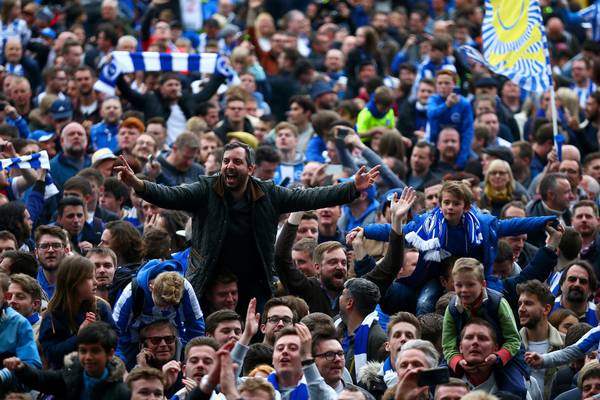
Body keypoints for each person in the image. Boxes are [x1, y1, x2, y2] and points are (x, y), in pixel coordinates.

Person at [114, 141, 380, 309]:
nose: (229, 166)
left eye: (237, 162)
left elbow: (309, 196)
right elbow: (170, 195)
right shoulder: (206, 189)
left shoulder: (269, 194)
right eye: (226, 161)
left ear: (250, 169)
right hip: (210, 278)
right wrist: (136, 183)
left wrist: (351, 188)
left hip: (255, 280)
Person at [275, 187, 412, 316]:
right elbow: (281, 258)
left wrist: (397, 222)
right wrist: (296, 213)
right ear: (317, 267)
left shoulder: (356, 290)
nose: (340, 267)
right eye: (333, 262)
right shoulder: (307, 288)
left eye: (343, 262)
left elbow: (391, 266)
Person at [442, 258, 526, 398]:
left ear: (483, 284)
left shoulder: (498, 303)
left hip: (504, 352)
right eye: (459, 285)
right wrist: (458, 361)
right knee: (435, 383)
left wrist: (497, 356)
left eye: (470, 285)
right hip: (462, 353)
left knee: (516, 390)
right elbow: (448, 345)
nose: (464, 290)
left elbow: (513, 339)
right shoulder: (452, 308)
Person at [112, 260, 204, 369]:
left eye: (169, 304)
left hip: (172, 338)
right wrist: (120, 364)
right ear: (151, 287)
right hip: (134, 341)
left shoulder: (185, 287)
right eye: (161, 303)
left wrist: (190, 356)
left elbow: (196, 325)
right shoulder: (131, 292)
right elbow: (115, 331)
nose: (164, 309)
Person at [3, 321, 130, 400]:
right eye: (83, 351)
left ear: (110, 353)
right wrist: (22, 368)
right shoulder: (71, 376)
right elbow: (42, 378)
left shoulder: (121, 393)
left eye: (95, 351)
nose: (88, 357)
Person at [38, 255, 118, 369]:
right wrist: (79, 337)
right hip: (66, 376)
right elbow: (51, 354)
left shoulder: (99, 307)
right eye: (90, 278)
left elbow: (115, 336)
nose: (96, 282)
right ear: (74, 282)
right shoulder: (52, 316)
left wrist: (99, 331)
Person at [517, 280, 565, 397]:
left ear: (546, 309)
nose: (521, 309)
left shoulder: (565, 344)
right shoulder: (512, 346)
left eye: (528, 303)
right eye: (519, 304)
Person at [0, 272, 41, 396]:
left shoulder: (20, 324)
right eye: (11, 296)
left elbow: (31, 367)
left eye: (20, 296)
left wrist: (4, 374)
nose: (13, 301)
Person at [427, 70, 474, 169]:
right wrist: (446, 105)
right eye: (440, 83)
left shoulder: (464, 104)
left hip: (459, 148)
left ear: (454, 85)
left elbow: (467, 132)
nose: (443, 86)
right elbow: (431, 114)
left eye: (447, 83)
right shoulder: (433, 100)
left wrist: (461, 160)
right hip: (435, 146)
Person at [550, 260, 598, 325]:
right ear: (561, 285)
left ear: (590, 290)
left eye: (583, 281)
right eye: (572, 279)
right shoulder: (548, 309)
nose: (577, 284)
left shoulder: (597, 316)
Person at [34, 225, 70, 299]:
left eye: (56, 245)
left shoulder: (76, 282)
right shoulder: (29, 283)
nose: (50, 250)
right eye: (44, 246)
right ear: (36, 252)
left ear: (66, 251)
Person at [7, 273, 43, 338]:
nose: (12, 300)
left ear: (35, 304)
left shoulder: (44, 330)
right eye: (9, 296)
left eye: (20, 297)